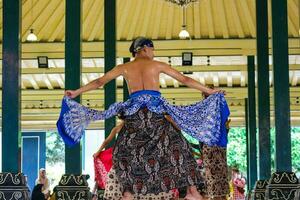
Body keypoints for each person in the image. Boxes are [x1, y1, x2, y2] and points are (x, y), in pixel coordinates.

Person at [61, 37, 229, 200]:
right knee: (180, 146)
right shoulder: (157, 65)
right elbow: (185, 79)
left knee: (125, 152)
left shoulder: (124, 67)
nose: (154, 53)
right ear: (145, 48)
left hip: (135, 118)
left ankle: (128, 192)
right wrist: (210, 91)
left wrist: (76, 92)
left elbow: (99, 82)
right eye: (153, 49)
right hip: (155, 116)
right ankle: (192, 190)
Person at [201, 89, 230, 200]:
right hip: (212, 148)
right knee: (214, 180)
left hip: (215, 147)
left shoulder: (218, 108)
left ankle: (219, 197)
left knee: (217, 179)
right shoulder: (204, 111)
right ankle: (218, 197)